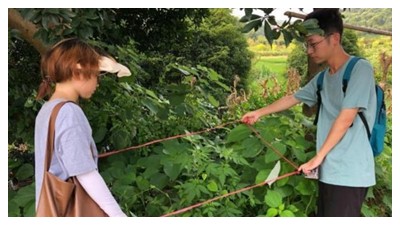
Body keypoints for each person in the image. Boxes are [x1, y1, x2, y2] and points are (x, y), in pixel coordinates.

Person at [241, 9, 376, 217]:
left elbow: (346, 116)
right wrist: (258, 112)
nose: (309, 51)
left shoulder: (360, 69)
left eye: (313, 43)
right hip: (328, 169)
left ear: (334, 38)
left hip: (350, 172)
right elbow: (292, 98)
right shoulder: (323, 78)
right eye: (307, 45)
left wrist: (318, 157)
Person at [34, 38, 131, 217]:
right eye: (96, 75)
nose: (98, 83)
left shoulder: (48, 109)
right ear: (79, 71)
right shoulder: (68, 112)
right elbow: (85, 174)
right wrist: (119, 217)